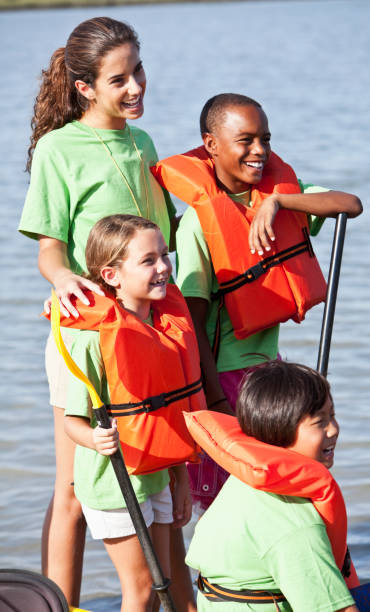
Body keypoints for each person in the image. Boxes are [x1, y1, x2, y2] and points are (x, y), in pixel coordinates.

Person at [18, 17, 193, 609]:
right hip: (88, 329)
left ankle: (174, 601)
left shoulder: (142, 144)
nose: (136, 86)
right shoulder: (56, 147)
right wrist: (64, 277)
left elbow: (161, 239)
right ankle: (58, 603)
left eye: (138, 71)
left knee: (159, 467)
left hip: (148, 331)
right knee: (73, 485)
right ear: (86, 87)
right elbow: (49, 247)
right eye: (119, 79)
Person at [152, 92, 363, 511]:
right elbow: (192, 324)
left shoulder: (280, 196)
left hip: (268, 375)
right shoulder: (198, 222)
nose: (259, 151)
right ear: (211, 145)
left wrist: (278, 201)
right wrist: (215, 403)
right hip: (227, 382)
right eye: (245, 140)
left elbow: (350, 204)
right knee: (238, 501)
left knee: (283, 491)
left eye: (265, 139)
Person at [54, 214, 206, 612]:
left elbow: (168, 414)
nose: (164, 268)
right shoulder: (95, 338)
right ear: (112, 275)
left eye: (165, 256)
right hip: (112, 484)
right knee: (141, 589)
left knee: (162, 583)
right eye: (149, 260)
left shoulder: (163, 327)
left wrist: (180, 479)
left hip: (154, 477)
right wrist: (94, 438)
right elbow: (73, 420)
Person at [186, 361, 370, 611]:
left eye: (332, 415)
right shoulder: (295, 524)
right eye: (319, 422)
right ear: (280, 430)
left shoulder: (247, 478)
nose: (334, 429)